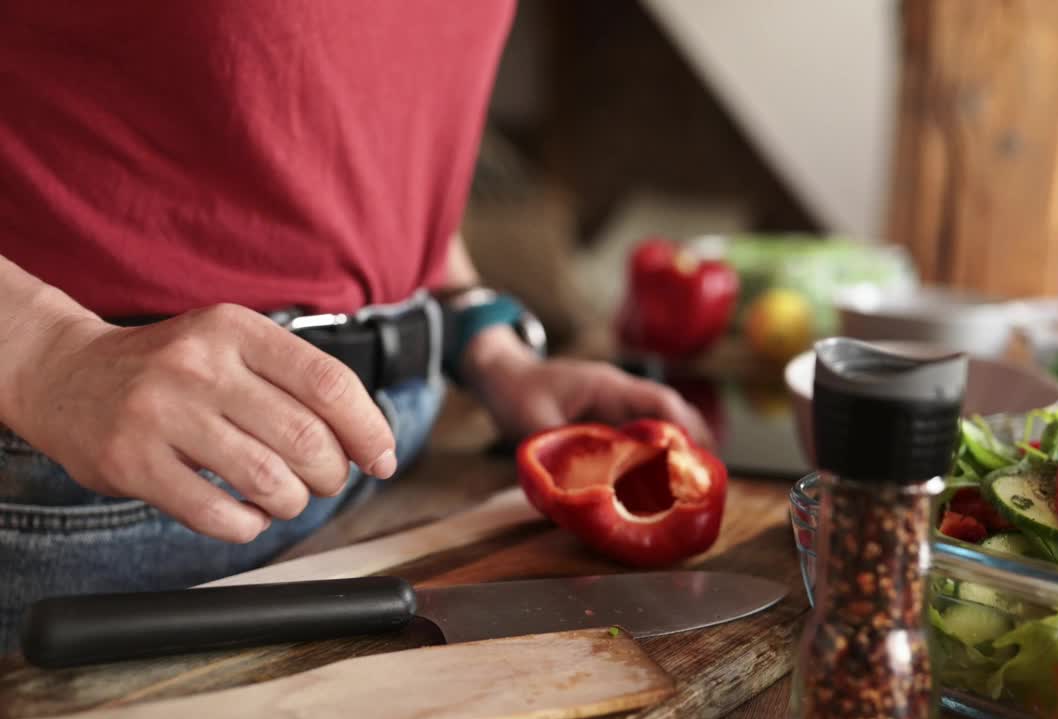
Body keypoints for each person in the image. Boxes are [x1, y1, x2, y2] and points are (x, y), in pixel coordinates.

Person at [0, 1, 710, 650]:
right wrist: (45, 353)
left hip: (400, 469)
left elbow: (365, 132)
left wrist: (483, 341)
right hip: (92, 492)